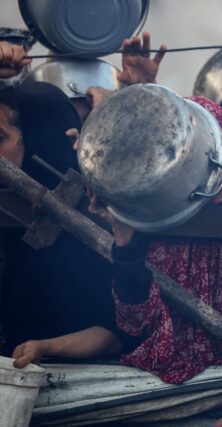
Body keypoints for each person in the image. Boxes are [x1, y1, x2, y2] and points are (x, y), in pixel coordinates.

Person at [87, 95, 222, 386]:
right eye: (193, 185)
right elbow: (134, 323)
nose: (212, 191)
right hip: (169, 381)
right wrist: (124, 239)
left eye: (215, 169)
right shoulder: (153, 205)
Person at [0, 81, 128, 361]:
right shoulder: (6, 213)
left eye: (0, 137)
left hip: (80, 382)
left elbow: (118, 331)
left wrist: (45, 348)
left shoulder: (98, 214)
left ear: (38, 139)